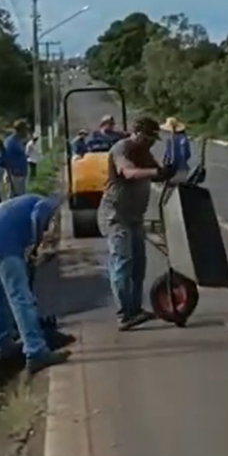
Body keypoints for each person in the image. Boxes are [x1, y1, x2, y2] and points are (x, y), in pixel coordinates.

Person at [0, 194, 73, 373]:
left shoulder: (24, 204)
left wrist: (33, 249)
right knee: (20, 296)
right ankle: (36, 351)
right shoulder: (44, 204)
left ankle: (4, 343)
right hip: (1, 238)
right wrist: (36, 243)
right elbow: (37, 218)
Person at [100, 116, 169, 331]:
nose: (151, 142)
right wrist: (154, 172)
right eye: (148, 137)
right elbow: (127, 172)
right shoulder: (122, 148)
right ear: (137, 133)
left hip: (134, 217)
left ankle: (135, 310)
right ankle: (124, 314)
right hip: (115, 216)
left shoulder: (143, 152)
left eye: (153, 139)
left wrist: (168, 171)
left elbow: (157, 174)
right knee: (122, 263)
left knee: (139, 265)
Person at [2, 120, 31, 196]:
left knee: (20, 196)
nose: (27, 132)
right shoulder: (11, 142)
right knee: (14, 198)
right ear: (21, 130)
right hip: (14, 174)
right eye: (25, 130)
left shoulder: (18, 141)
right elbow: (6, 158)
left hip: (20, 173)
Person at [161, 116, 193, 183]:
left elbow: (168, 156)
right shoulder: (184, 139)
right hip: (182, 169)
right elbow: (187, 155)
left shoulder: (170, 140)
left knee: (169, 189)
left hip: (172, 169)